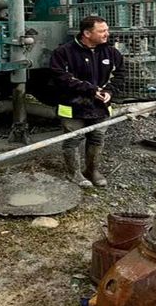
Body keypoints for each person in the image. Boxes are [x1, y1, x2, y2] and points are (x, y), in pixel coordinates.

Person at [50, 15, 124, 188]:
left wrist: (109, 92)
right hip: (72, 104)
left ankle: (92, 170)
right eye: (102, 31)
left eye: (107, 30)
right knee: (72, 138)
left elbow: (120, 74)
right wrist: (90, 90)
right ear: (87, 33)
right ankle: (74, 173)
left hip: (100, 105)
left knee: (97, 137)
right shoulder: (64, 52)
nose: (107, 34)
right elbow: (60, 76)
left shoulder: (111, 52)